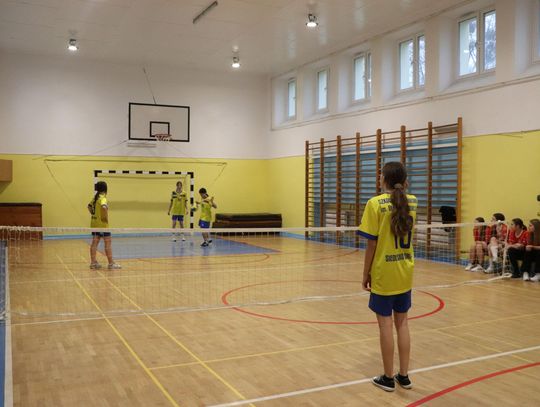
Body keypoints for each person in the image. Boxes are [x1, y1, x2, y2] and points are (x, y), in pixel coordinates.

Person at [359, 161, 417, 392]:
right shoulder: (412, 201)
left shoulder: (374, 204)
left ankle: (387, 377)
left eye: (380, 175)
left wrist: (366, 273)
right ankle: (404, 375)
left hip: (384, 272)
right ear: (404, 180)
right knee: (402, 323)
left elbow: (371, 245)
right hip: (405, 271)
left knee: (385, 325)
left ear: (383, 179)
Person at [87, 181, 121, 270]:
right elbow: (104, 207)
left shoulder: (95, 198)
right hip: (102, 225)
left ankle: (93, 262)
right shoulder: (103, 198)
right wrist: (104, 218)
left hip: (94, 224)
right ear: (105, 189)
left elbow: (89, 207)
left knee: (94, 243)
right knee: (108, 243)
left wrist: (94, 214)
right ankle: (111, 263)